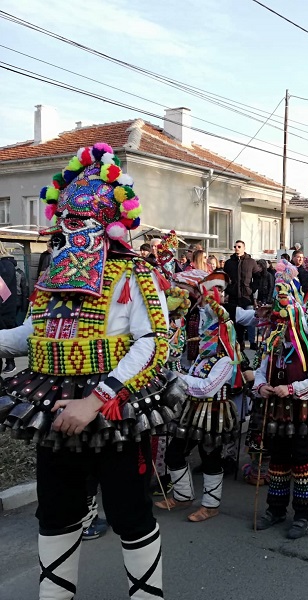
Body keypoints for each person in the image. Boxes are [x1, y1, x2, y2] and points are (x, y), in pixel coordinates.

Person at [0, 143, 170, 600]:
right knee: (55, 512)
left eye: (82, 221)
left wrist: (96, 400)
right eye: (67, 222)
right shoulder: (53, 271)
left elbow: (154, 344)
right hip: (53, 405)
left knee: (130, 513)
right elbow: (35, 331)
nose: (72, 231)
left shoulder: (134, 274)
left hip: (114, 409)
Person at [155, 271, 243, 522]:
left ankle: (211, 505)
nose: (203, 333)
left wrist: (177, 377)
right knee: (174, 453)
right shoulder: (203, 358)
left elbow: (207, 388)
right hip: (192, 412)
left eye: (208, 330)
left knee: (210, 458)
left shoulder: (226, 359)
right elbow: (191, 379)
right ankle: (183, 496)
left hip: (214, 413)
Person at [252, 282, 308, 538]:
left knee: (302, 461)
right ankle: (276, 509)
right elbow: (261, 373)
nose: (279, 329)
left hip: (300, 411)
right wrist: (261, 386)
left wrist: (292, 389)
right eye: (276, 325)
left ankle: (304, 514)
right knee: (277, 459)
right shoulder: (272, 348)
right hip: (275, 411)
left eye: (282, 325)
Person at [224, 240, 262, 346]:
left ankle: (251, 341)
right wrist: (228, 290)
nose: (237, 248)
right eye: (235, 246)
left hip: (246, 297)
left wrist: (252, 289)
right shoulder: (229, 263)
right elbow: (224, 279)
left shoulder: (251, 262)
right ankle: (238, 343)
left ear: (244, 248)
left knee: (250, 320)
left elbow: (257, 277)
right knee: (234, 322)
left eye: (239, 246)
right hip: (233, 297)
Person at [0, 242, 19, 373]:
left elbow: (3, 288)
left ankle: (10, 362)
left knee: (5, 334)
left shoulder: (6, 265)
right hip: (4, 305)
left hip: (5, 307)